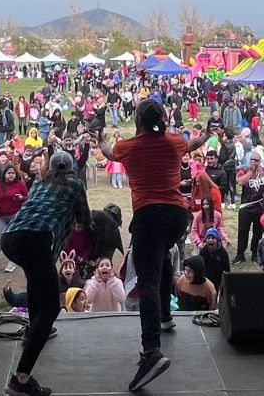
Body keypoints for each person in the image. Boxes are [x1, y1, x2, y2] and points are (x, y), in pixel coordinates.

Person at [99, 99, 208, 392]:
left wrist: (100, 140)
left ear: (138, 121)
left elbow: (108, 151)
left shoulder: (129, 146)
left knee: (146, 279)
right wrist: (208, 134)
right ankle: (165, 316)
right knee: (159, 261)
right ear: (162, 117)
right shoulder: (174, 142)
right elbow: (195, 141)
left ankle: (151, 352)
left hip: (149, 213)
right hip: (177, 216)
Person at [0, 149, 90, 396]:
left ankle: (35, 330)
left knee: (36, 279)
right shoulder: (75, 183)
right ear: (71, 168)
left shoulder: (40, 181)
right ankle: (21, 379)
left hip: (10, 237)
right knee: (51, 307)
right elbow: (84, 218)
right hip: (36, 240)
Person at [234, 155, 264, 264]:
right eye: (252, 159)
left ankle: (255, 253)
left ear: (260, 162)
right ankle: (240, 254)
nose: (253, 162)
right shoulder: (243, 170)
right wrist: (250, 172)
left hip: (261, 208)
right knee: (243, 232)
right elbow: (240, 182)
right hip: (246, 207)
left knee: (258, 232)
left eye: (256, 160)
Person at [0, 163, 28, 277]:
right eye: (9, 173)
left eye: (13, 173)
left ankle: (12, 262)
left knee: (14, 240)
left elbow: (27, 197)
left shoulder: (20, 184)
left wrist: (21, 198)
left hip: (15, 216)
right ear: (4, 174)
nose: (11, 175)